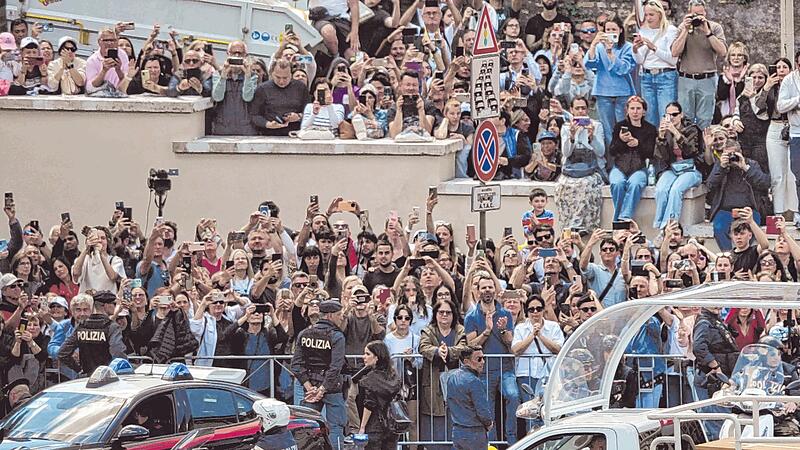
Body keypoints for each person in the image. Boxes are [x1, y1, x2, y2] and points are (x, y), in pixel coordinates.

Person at [464, 275, 518, 444]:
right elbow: (471, 344)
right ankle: (492, 444)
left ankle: (512, 440)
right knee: (488, 409)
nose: (487, 290)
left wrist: (502, 330)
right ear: (478, 291)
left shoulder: (505, 313)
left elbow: (510, 342)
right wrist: (487, 331)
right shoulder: (471, 316)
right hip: (484, 371)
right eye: (483, 287)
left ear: (495, 290)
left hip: (505, 368)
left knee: (513, 395)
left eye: (490, 287)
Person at [290, 299, 347, 448]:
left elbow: (296, 365)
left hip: (311, 387)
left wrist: (310, 388)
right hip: (332, 388)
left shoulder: (304, 333)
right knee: (336, 427)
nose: (342, 317)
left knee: (306, 428)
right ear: (329, 316)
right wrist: (322, 389)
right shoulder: (337, 336)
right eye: (339, 314)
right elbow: (335, 367)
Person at [418, 297, 467, 449]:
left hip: (455, 380)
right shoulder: (428, 330)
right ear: (436, 314)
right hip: (433, 381)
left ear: (453, 315)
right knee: (435, 421)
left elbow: (464, 347)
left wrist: (449, 351)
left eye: (448, 312)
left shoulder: (460, 330)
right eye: (441, 312)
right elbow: (423, 347)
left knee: (455, 416)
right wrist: (437, 351)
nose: (444, 315)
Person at [671, 0, 728, 129]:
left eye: (700, 14)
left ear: (705, 13)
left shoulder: (714, 27)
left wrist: (708, 32)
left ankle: (704, 148)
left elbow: (723, 52)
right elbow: (674, 52)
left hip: (707, 79)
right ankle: (688, 147)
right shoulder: (682, 28)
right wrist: (685, 30)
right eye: (694, 14)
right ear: (688, 13)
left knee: (705, 119)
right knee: (686, 119)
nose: (697, 18)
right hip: (686, 78)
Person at [511, 294, 563, 430]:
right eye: (531, 309)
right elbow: (516, 349)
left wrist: (540, 335)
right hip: (526, 374)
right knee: (530, 413)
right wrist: (532, 335)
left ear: (543, 310)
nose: (535, 312)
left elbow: (558, 348)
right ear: (527, 311)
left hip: (548, 375)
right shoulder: (520, 328)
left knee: (547, 412)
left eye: (538, 309)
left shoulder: (553, 327)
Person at [706, 140, 770, 250]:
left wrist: (745, 168)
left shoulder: (751, 164)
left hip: (749, 210)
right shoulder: (720, 165)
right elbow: (710, 185)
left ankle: (745, 254)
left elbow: (764, 183)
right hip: (725, 211)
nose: (731, 158)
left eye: (733, 154)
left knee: (752, 229)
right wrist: (721, 168)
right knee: (719, 228)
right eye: (728, 154)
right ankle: (728, 256)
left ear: (740, 152)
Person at [555, 96, 606, 231]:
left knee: (585, 186)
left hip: (591, 168)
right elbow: (566, 153)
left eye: (583, 108)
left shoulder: (596, 125)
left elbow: (601, 152)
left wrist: (591, 136)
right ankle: (567, 226)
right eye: (577, 108)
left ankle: (581, 226)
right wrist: (571, 136)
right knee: (562, 186)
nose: (580, 111)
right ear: (571, 110)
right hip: (572, 168)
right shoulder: (566, 127)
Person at [652, 102, 704, 232]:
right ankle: (659, 226)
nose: (671, 118)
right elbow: (661, 157)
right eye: (667, 115)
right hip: (673, 169)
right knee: (661, 190)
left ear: (681, 115)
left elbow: (691, 152)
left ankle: (669, 226)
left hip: (692, 169)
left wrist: (676, 132)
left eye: (674, 114)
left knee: (676, 189)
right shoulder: (665, 132)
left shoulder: (692, 129)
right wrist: (661, 137)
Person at [585, 16, 636, 147]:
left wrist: (610, 53)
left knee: (624, 129)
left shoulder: (628, 47)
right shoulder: (599, 47)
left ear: (620, 30)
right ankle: (611, 163)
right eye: (608, 29)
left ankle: (625, 160)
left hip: (622, 93)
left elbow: (625, 68)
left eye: (614, 29)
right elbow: (590, 64)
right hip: (603, 92)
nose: (611, 32)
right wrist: (593, 44)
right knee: (607, 130)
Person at [608, 96, 657, 221]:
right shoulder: (620, 126)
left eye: (638, 108)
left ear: (644, 111)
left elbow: (651, 153)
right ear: (627, 110)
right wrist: (621, 141)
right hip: (620, 165)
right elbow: (612, 151)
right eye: (632, 108)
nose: (635, 112)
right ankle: (621, 219)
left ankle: (623, 218)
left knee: (635, 184)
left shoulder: (650, 129)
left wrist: (638, 143)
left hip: (639, 166)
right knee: (617, 184)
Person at [57, 291, 127, 376]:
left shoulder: (82, 326)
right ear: (106, 305)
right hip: (107, 378)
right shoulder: (112, 326)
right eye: (114, 304)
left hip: (86, 378)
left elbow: (62, 353)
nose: (115, 307)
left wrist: (79, 369)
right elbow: (118, 353)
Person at [632, 0, 678, 126]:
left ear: (659, 14)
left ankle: (666, 144)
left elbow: (672, 59)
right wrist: (635, 49)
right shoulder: (643, 30)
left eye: (651, 15)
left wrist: (654, 48)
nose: (648, 18)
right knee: (649, 118)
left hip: (665, 76)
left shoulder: (671, 30)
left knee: (666, 116)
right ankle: (652, 145)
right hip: (646, 77)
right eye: (646, 15)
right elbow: (640, 60)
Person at [356, 340, 402, 450]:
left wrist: (362, 427)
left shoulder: (371, 379)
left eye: (368, 354)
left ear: (377, 358)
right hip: (392, 425)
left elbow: (369, 405)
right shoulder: (394, 376)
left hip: (374, 425)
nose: (364, 357)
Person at [446, 345, 493, 450]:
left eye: (483, 358)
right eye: (479, 359)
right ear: (466, 361)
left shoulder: (452, 378)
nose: (483, 362)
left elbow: (448, 404)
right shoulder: (474, 381)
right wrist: (488, 423)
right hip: (474, 432)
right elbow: (482, 409)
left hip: (457, 431)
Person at [211, 41, 259, 135]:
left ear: (246, 55)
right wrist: (223, 76)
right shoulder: (218, 74)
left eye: (240, 53)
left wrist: (247, 76)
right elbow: (217, 97)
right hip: (222, 130)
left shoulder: (253, 76)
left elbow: (248, 97)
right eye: (234, 53)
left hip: (246, 130)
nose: (237, 55)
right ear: (228, 54)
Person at [250, 60, 307, 136]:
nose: (281, 81)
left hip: (295, 134)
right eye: (278, 77)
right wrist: (267, 124)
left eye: (285, 78)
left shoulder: (300, 87)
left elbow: (309, 111)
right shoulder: (262, 89)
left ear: (291, 74)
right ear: (272, 74)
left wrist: (299, 116)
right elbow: (254, 115)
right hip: (269, 134)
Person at [777, 51, 800, 226]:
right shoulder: (789, 80)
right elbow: (781, 105)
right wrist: (798, 100)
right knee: (798, 173)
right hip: (797, 132)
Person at [580, 230, 626, 307]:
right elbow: (583, 265)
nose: (608, 252)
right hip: (601, 315)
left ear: (617, 253)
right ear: (600, 253)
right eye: (604, 249)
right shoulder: (595, 269)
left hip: (621, 316)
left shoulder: (623, 273)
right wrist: (591, 243)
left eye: (611, 249)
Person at [85, 28, 130, 95]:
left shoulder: (122, 55)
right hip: (100, 95)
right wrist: (104, 70)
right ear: (99, 42)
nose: (110, 43)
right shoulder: (92, 60)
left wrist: (118, 70)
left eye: (113, 40)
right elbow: (91, 87)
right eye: (106, 40)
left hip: (120, 93)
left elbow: (126, 80)